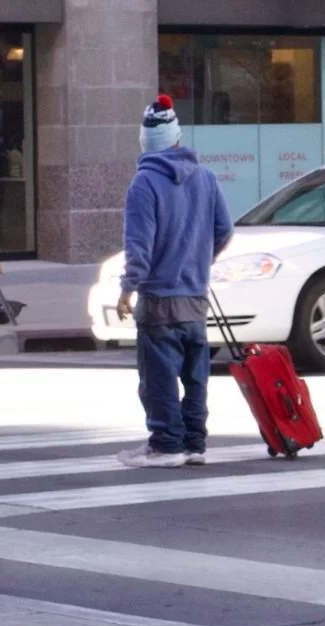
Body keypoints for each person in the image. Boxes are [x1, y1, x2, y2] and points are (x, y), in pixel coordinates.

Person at [116, 93, 233, 469]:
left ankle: (167, 445)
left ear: (145, 143)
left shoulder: (144, 183)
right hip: (195, 296)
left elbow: (139, 245)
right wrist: (198, 260)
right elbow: (224, 229)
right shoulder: (206, 178)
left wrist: (128, 288)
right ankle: (194, 443)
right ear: (178, 138)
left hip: (159, 299)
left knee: (159, 377)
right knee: (195, 376)